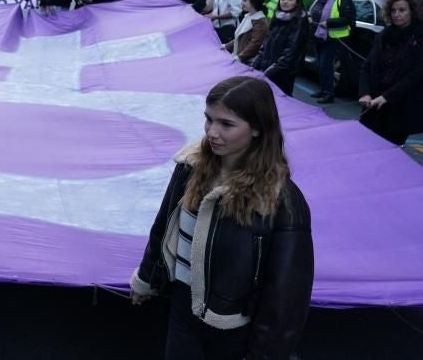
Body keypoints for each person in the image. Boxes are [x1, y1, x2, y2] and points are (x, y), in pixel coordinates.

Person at [130, 76, 313, 360]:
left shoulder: (282, 201)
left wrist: (264, 354)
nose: (212, 132)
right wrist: (146, 278)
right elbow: (164, 228)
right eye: (209, 119)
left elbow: (286, 297)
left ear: (257, 129)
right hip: (182, 308)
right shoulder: (190, 167)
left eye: (226, 124)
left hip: (234, 330)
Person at [358, 0, 423, 145]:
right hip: (374, 104)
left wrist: (387, 97)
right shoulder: (384, 36)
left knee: (387, 152)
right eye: (393, 10)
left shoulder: (419, 37)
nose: (396, 14)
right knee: (364, 145)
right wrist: (365, 92)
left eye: (402, 10)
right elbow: (368, 65)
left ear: (412, 12)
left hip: (400, 108)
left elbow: (416, 75)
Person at [251, 0, 310, 96]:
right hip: (268, 69)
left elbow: (290, 52)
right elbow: (265, 44)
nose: (285, 2)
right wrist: (254, 65)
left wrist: (268, 72)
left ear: (297, 2)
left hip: (283, 74)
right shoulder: (278, 16)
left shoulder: (299, 21)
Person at [307, 0, 355, 104]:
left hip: (333, 38)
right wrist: (309, 16)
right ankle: (323, 90)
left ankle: (329, 94)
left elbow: (347, 19)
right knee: (320, 65)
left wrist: (328, 23)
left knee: (326, 65)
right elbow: (313, 10)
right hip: (319, 36)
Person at [224, 0, 268, 64]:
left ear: (253, 2)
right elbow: (240, 38)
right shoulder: (248, 16)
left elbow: (255, 44)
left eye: (245, 0)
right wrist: (226, 46)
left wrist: (240, 57)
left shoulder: (260, 22)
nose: (242, 3)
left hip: (248, 62)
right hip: (240, 59)